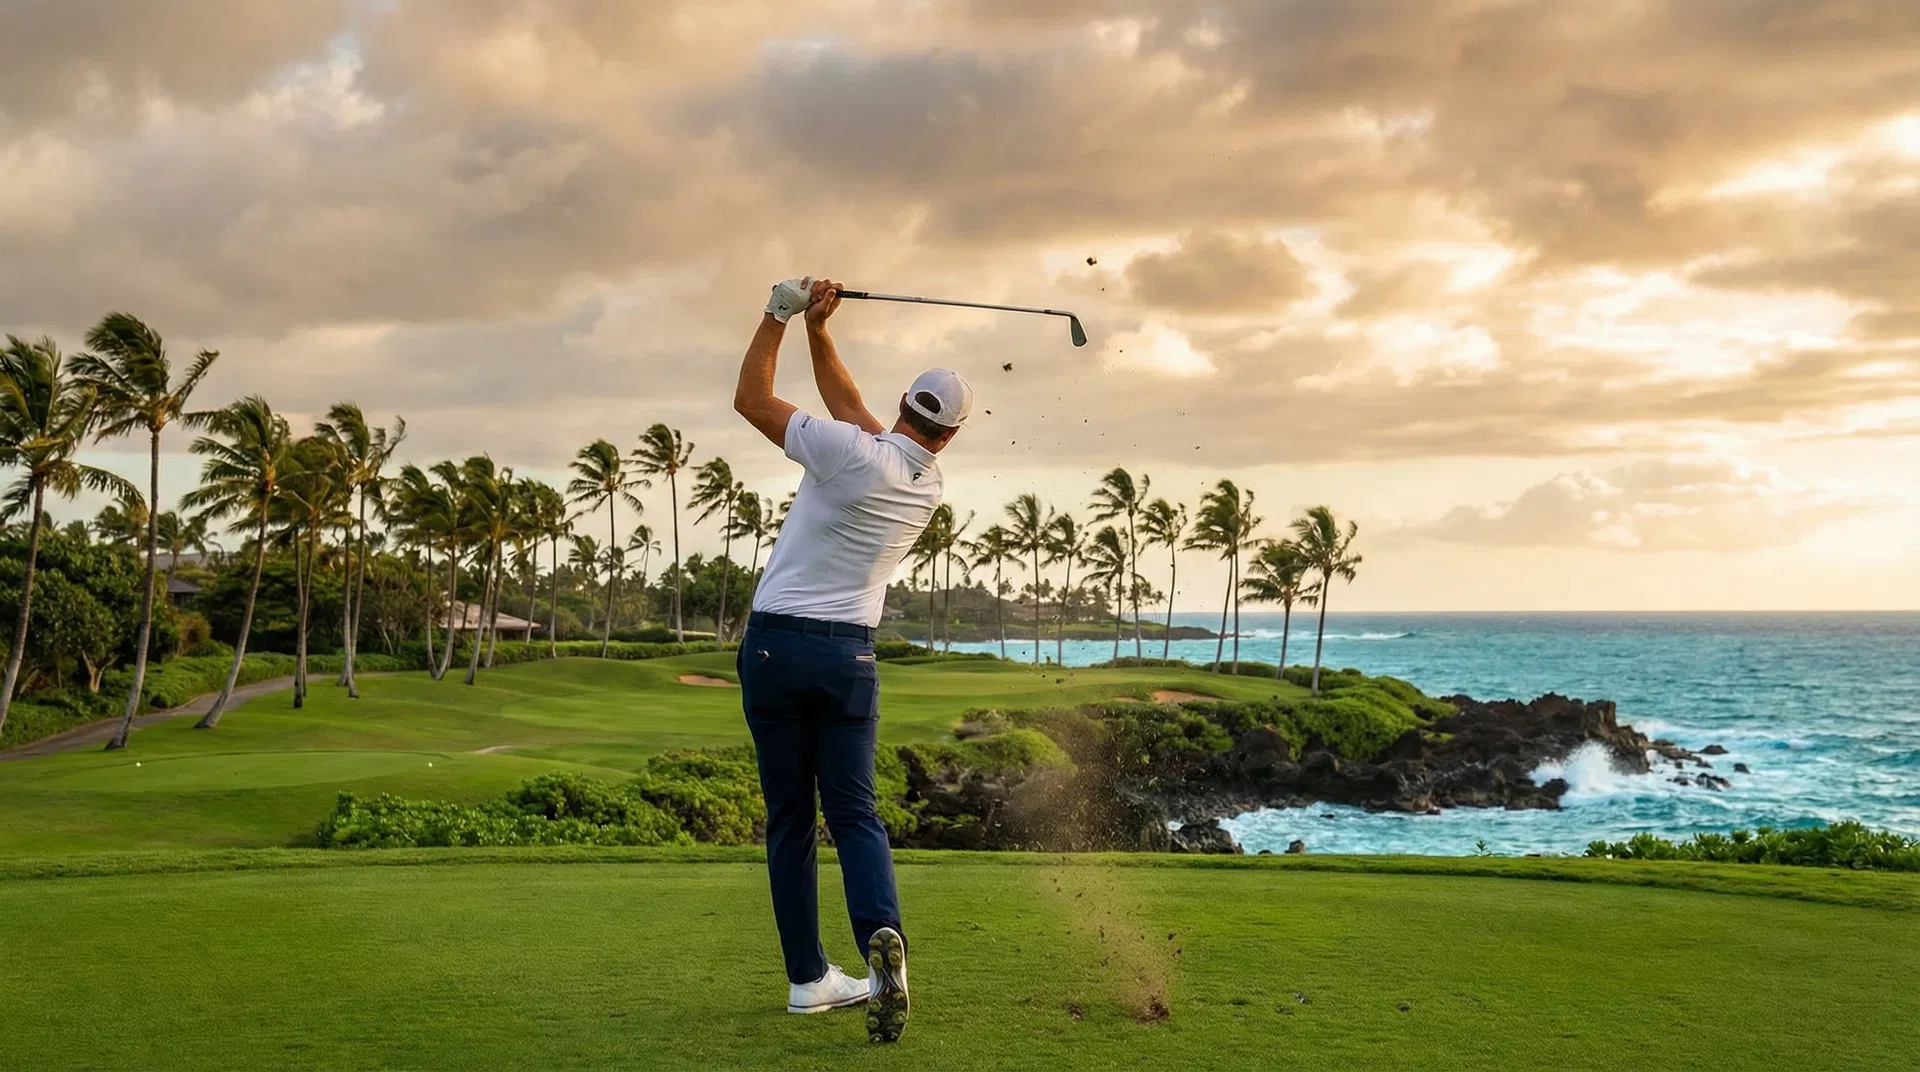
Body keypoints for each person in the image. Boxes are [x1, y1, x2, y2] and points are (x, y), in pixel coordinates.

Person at [730, 275, 973, 1044]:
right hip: (849, 662)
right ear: (949, 433)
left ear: (903, 406)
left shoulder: (847, 452)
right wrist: (820, 331)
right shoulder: (924, 482)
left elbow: (752, 399)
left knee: (791, 821)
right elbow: (851, 411)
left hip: (774, 646)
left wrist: (778, 314)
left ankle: (807, 980)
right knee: (856, 815)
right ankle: (882, 944)